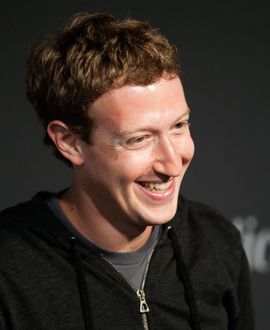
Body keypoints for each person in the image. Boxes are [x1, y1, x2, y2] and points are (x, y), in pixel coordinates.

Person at [0, 12, 254, 330]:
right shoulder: (9, 270)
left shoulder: (216, 242)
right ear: (70, 143)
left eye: (179, 126)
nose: (173, 164)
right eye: (139, 139)